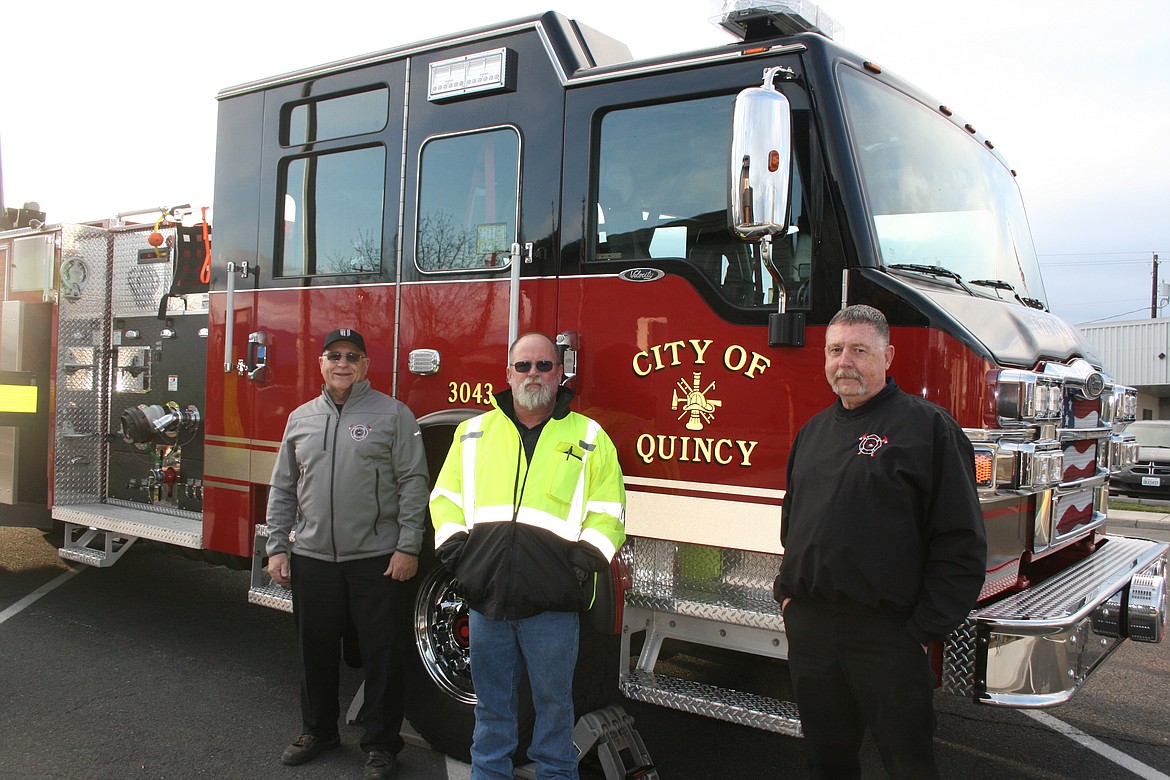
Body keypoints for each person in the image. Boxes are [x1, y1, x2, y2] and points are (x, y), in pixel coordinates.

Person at [773, 304, 987, 780]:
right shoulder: (812, 433)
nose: (844, 362)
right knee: (828, 762)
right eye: (835, 350)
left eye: (859, 350)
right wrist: (788, 597)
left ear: (888, 356)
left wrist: (922, 628)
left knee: (908, 765)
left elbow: (961, 540)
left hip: (889, 636)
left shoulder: (928, 429)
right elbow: (794, 523)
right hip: (813, 631)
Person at [429, 332, 627, 780]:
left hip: (552, 610)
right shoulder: (473, 433)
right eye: (524, 366)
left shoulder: (591, 438)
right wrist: (462, 564)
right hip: (486, 605)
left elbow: (609, 514)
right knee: (492, 719)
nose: (533, 374)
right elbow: (444, 501)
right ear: (508, 374)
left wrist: (575, 571)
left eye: (543, 366)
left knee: (555, 720)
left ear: (559, 374)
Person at [266, 327, 429, 780]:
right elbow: (283, 487)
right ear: (321, 364)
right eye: (333, 355)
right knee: (314, 651)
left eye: (351, 356)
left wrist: (407, 546)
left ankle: (380, 745)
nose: (342, 363)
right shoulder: (301, 418)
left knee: (382, 655)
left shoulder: (393, 415)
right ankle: (318, 731)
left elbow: (413, 483)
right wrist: (277, 548)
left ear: (365, 366)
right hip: (313, 558)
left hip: (376, 559)